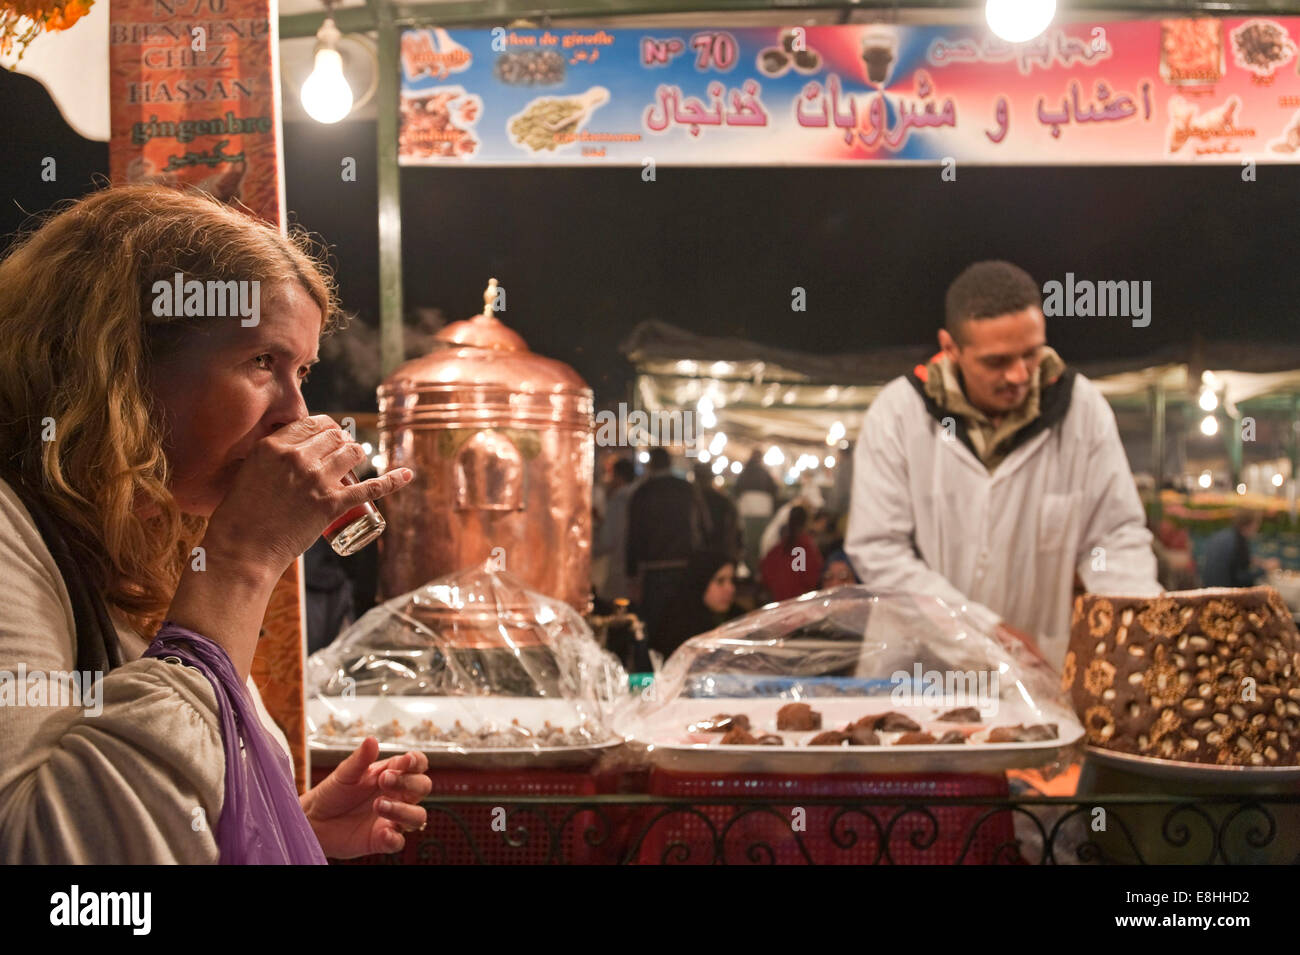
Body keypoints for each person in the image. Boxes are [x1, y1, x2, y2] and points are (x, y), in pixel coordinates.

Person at [0, 185, 431, 863]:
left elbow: (150, 815)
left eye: (303, 370)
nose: (296, 412)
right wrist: (244, 559)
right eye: (262, 361)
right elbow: (48, 851)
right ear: (122, 367)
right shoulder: (10, 533)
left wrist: (286, 826)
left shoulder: (144, 536)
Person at [844, 260, 1161, 667]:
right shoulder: (899, 413)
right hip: (916, 670)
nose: (1017, 375)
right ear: (950, 348)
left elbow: (1114, 536)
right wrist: (982, 632)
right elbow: (880, 549)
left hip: (1035, 669)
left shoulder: (1081, 411)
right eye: (996, 362)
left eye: (1031, 354)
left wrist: (1139, 627)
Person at [626, 447, 710, 643]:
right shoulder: (687, 489)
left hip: (653, 572)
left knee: (655, 629)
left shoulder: (642, 492)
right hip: (686, 568)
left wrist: (631, 574)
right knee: (684, 628)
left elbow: (633, 535)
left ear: (651, 464)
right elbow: (705, 528)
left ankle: (657, 670)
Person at [650, 550, 742, 659]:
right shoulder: (677, 625)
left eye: (732, 580)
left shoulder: (740, 618)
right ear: (701, 583)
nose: (730, 589)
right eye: (720, 581)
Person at [593, 456, 637, 602]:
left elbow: (608, 539)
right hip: (634, 566)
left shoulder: (619, 499)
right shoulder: (638, 495)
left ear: (619, 477)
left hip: (617, 565)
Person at [760, 506, 825, 601]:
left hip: (780, 603)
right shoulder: (805, 547)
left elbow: (765, 570)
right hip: (800, 605)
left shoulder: (780, 548)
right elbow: (811, 578)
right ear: (807, 522)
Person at [1199, 509, 1275, 587]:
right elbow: (1240, 578)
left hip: (1209, 587)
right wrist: (1264, 570)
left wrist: (1252, 561)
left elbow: (1230, 562)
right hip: (1226, 592)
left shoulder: (1225, 535)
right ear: (1251, 524)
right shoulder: (1239, 542)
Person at [693, 461, 741, 561]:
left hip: (697, 554)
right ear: (711, 478)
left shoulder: (691, 500)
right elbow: (734, 529)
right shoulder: (724, 500)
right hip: (721, 553)